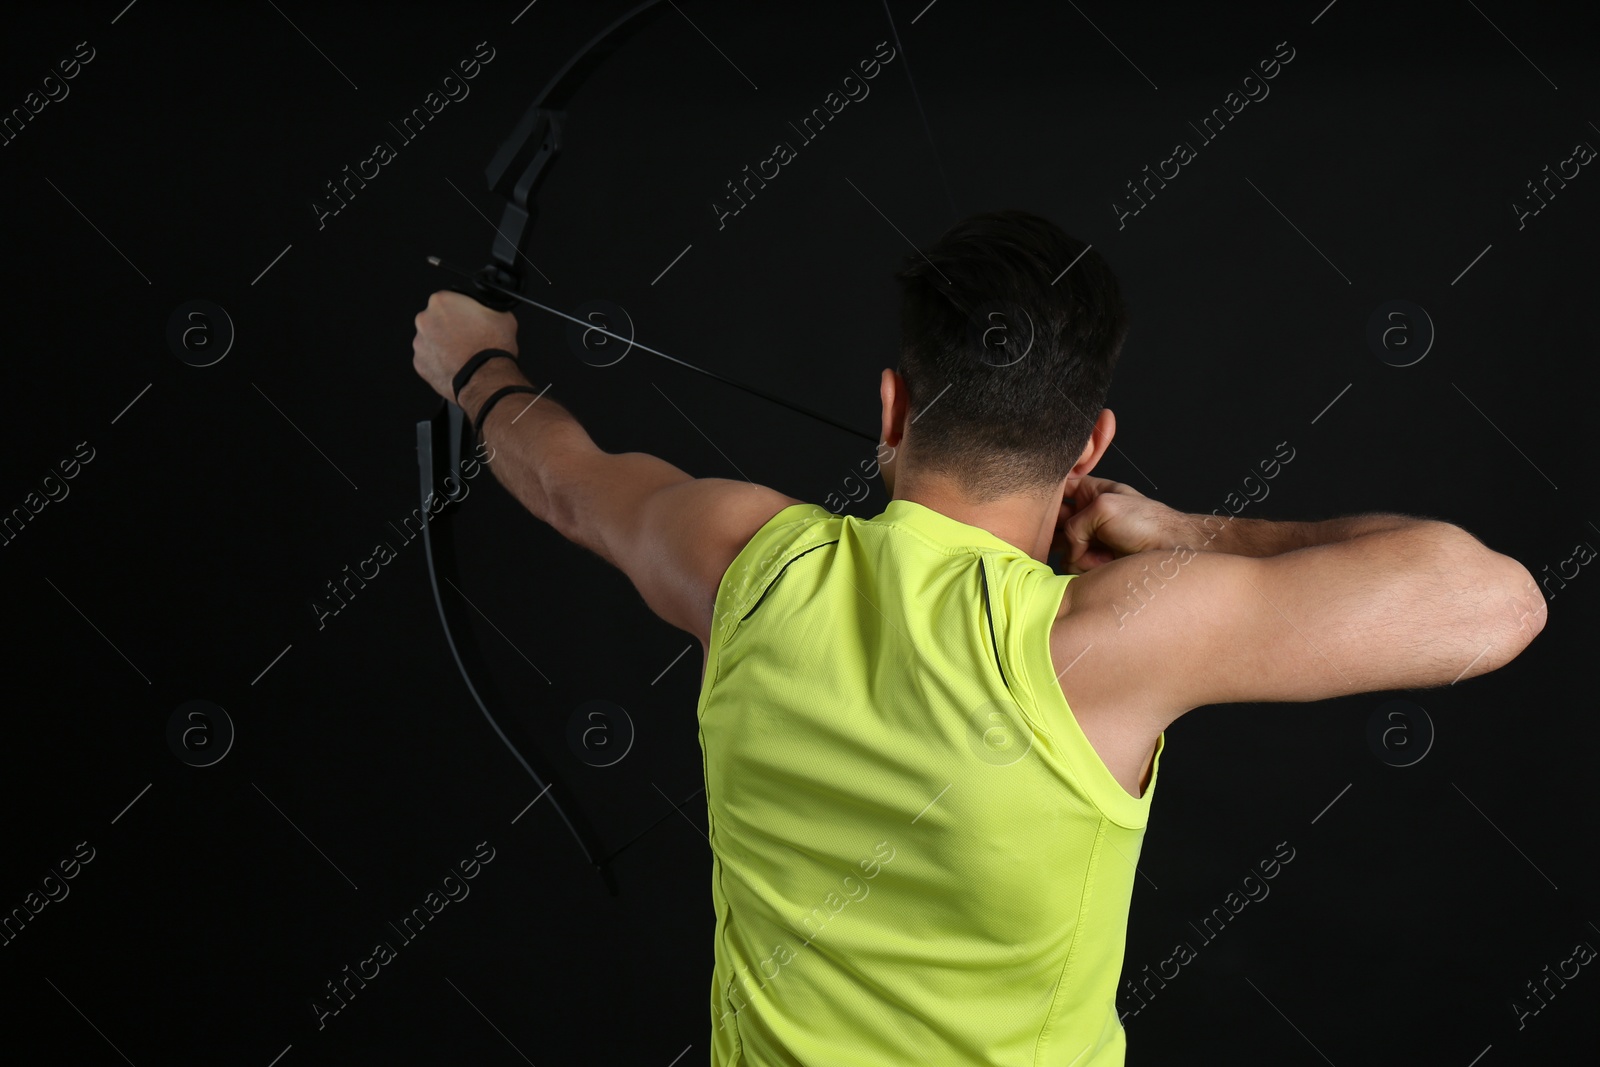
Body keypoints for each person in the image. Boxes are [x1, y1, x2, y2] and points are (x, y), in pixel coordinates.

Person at [412, 209, 1546, 1065]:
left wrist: (476, 361)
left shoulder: (738, 558)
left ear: (894, 406)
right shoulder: (1108, 643)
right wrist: (1191, 531)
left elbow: (561, 477)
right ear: (1090, 442)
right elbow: (1497, 600)